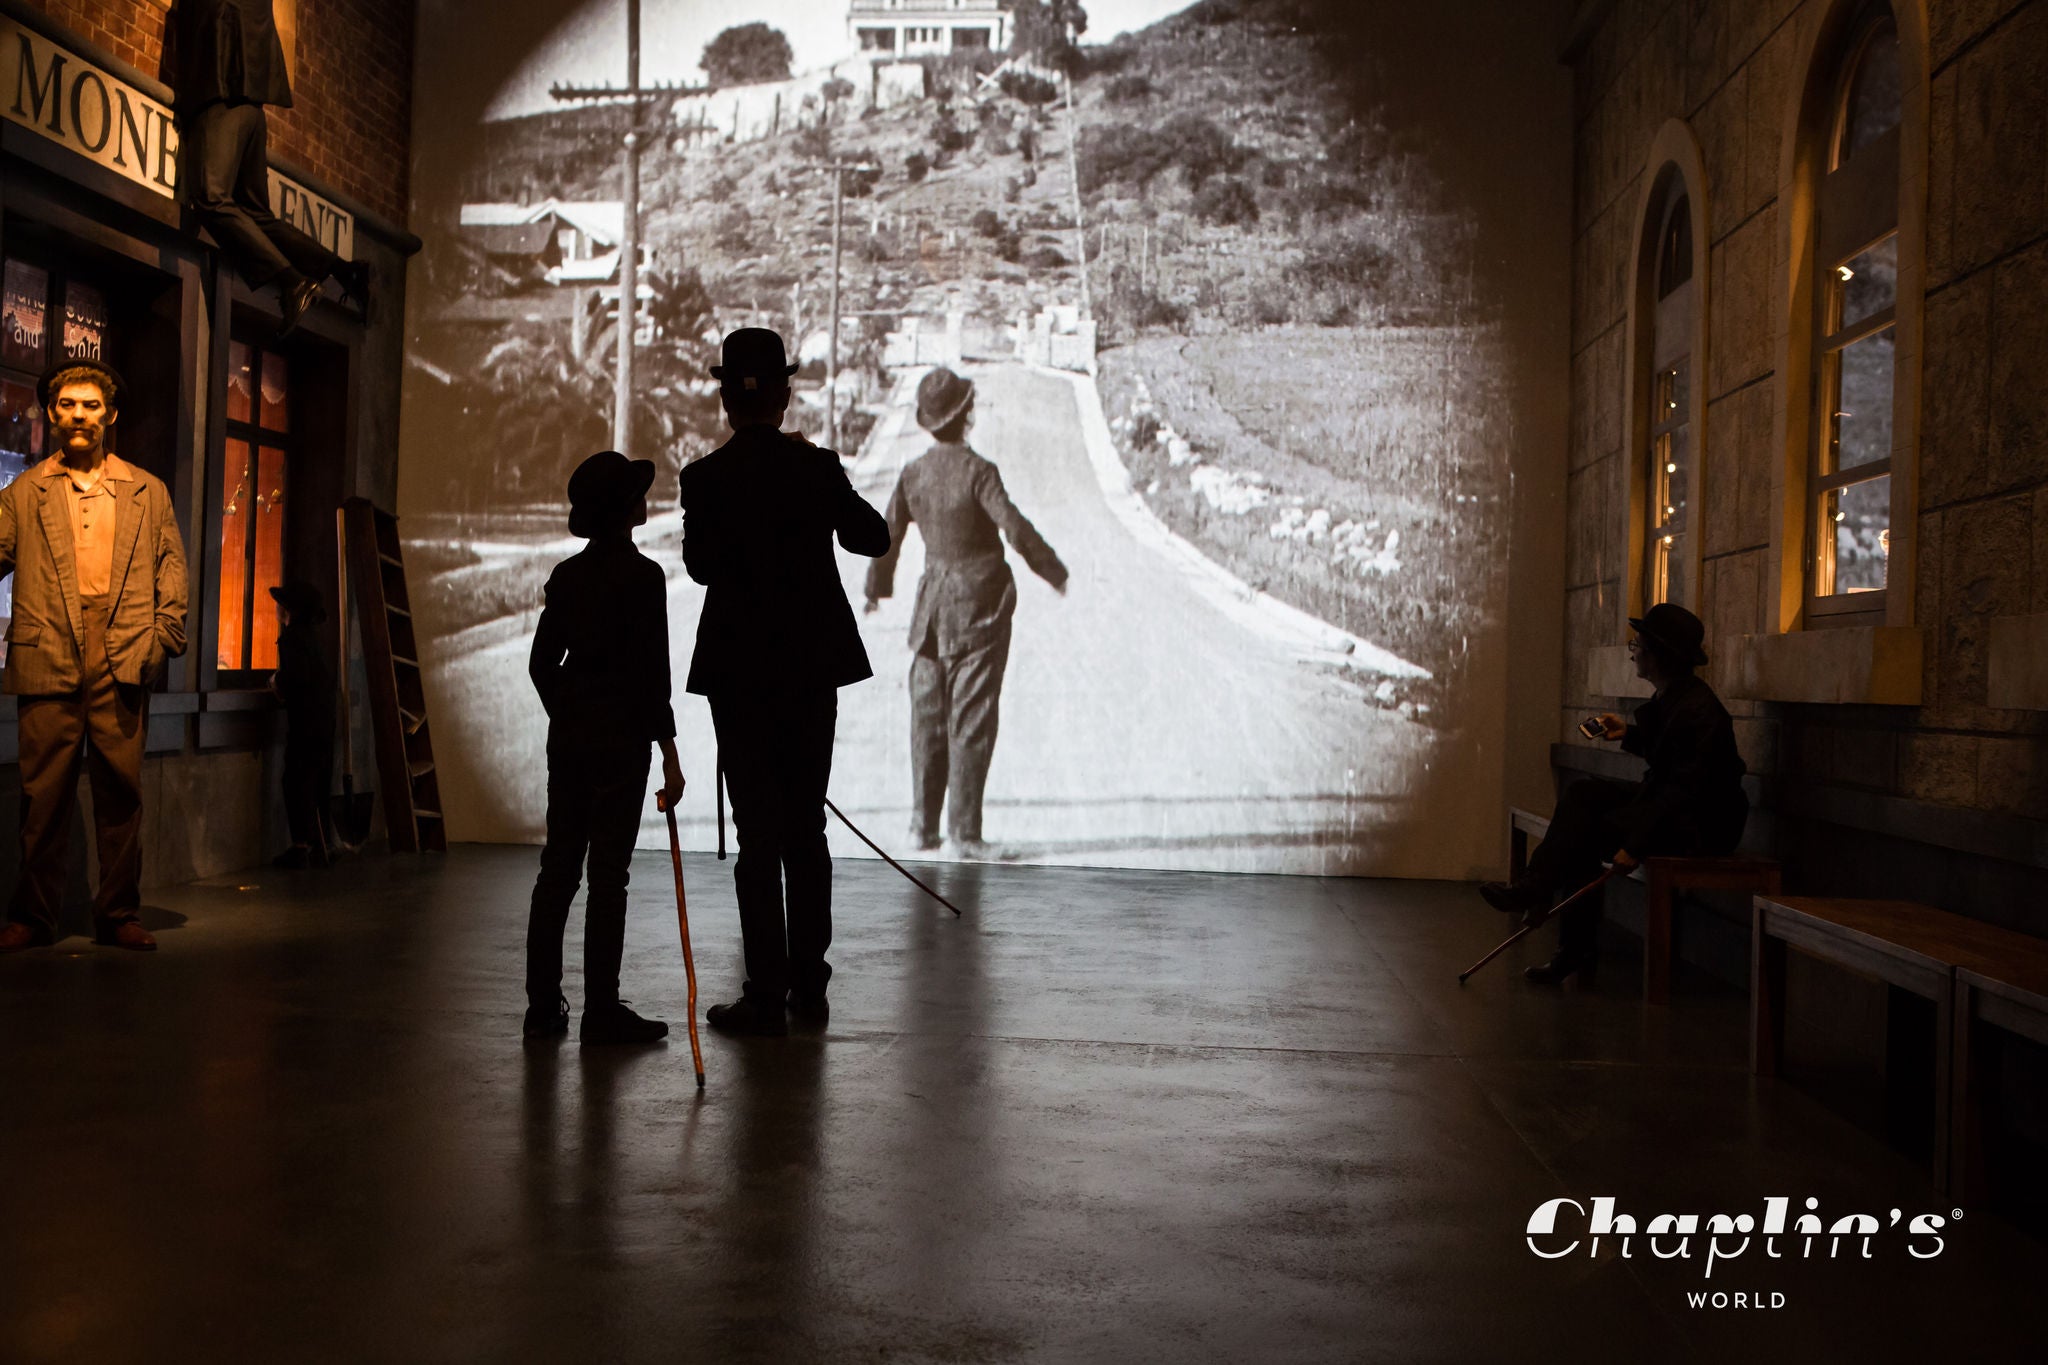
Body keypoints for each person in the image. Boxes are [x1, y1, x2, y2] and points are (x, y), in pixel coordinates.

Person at [678, 328, 891, 1038]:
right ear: (783, 393)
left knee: (756, 835)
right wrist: (819, 477)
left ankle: (765, 993)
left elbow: (703, 568)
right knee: (806, 828)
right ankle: (811, 983)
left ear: (726, 401)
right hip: (808, 672)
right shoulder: (816, 466)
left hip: (739, 675)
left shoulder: (704, 478)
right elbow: (873, 537)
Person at [0, 360, 188, 953]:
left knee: (121, 794)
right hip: (46, 646)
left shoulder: (146, 490)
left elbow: (172, 574)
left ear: (109, 415)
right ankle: (33, 916)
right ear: (51, 414)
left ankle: (117, 913)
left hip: (125, 649)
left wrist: (161, 639)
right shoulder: (24, 493)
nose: (78, 414)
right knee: (42, 797)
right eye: (66, 405)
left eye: (89, 405)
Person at [1479, 602, 1749, 985]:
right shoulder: (1677, 697)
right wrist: (1628, 733)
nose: (1633, 651)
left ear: (1657, 655)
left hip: (1701, 823)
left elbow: (1685, 788)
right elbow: (1670, 755)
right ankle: (1539, 892)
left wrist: (1636, 845)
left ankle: (1562, 934)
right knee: (1583, 793)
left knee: (1585, 832)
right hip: (1674, 808)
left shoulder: (1697, 710)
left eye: (1637, 645)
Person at [863, 367, 1067, 860]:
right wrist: (1054, 571)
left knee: (928, 716)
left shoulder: (913, 473)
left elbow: (886, 536)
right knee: (971, 716)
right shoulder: (980, 471)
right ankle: (965, 835)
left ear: (929, 422)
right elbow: (1014, 529)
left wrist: (875, 589)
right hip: (981, 608)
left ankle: (921, 828)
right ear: (967, 414)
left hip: (931, 608)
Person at [524, 450, 685, 1044]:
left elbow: (542, 664)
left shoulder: (567, 578)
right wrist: (668, 752)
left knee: (557, 871)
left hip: (570, 742)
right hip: (623, 743)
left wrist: (567, 713)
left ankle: (542, 1010)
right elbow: (654, 679)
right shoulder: (645, 579)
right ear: (626, 511)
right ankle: (600, 1012)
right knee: (608, 878)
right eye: (639, 493)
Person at [172, 0, 369, 336]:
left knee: (210, 197)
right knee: (254, 212)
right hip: (251, 105)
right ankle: (341, 270)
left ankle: (293, 283)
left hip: (221, 96)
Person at [268, 580, 334, 868]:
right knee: (313, 781)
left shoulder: (292, 638)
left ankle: (301, 846)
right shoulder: (312, 638)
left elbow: (296, 677)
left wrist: (275, 681)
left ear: (289, 610)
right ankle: (319, 844)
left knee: (295, 781)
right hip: (322, 720)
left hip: (304, 722)